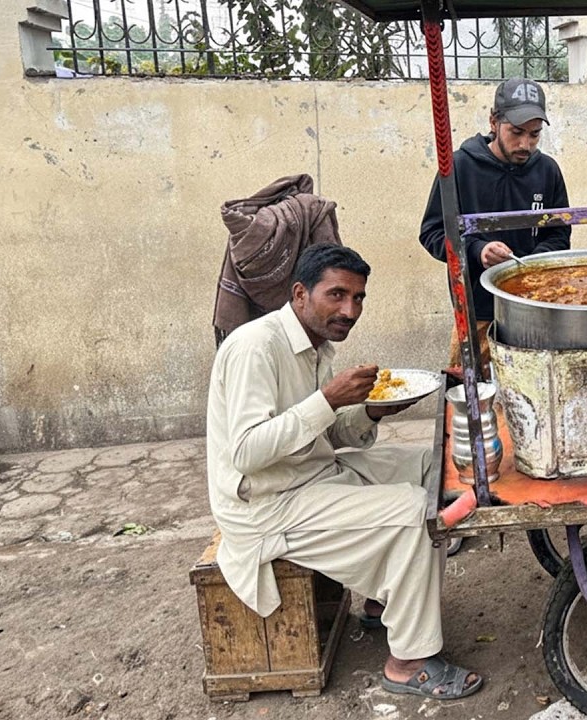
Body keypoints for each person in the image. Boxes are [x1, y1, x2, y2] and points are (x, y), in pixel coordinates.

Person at [206, 244, 482, 699]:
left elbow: (331, 437)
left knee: (432, 464)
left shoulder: (318, 347)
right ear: (299, 294)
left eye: (358, 298)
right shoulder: (256, 347)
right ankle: (407, 662)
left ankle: (383, 603)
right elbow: (246, 453)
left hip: (316, 473)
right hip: (268, 505)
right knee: (414, 511)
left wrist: (373, 411)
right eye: (336, 295)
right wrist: (329, 399)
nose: (349, 310)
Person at [419, 77, 571, 370]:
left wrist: (529, 263)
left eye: (534, 134)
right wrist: (478, 250)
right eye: (516, 132)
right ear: (493, 121)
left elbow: (560, 235)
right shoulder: (459, 167)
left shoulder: (547, 170)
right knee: (469, 399)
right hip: (477, 313)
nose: (525, 144)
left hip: (533, 311)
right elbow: (432, 233)